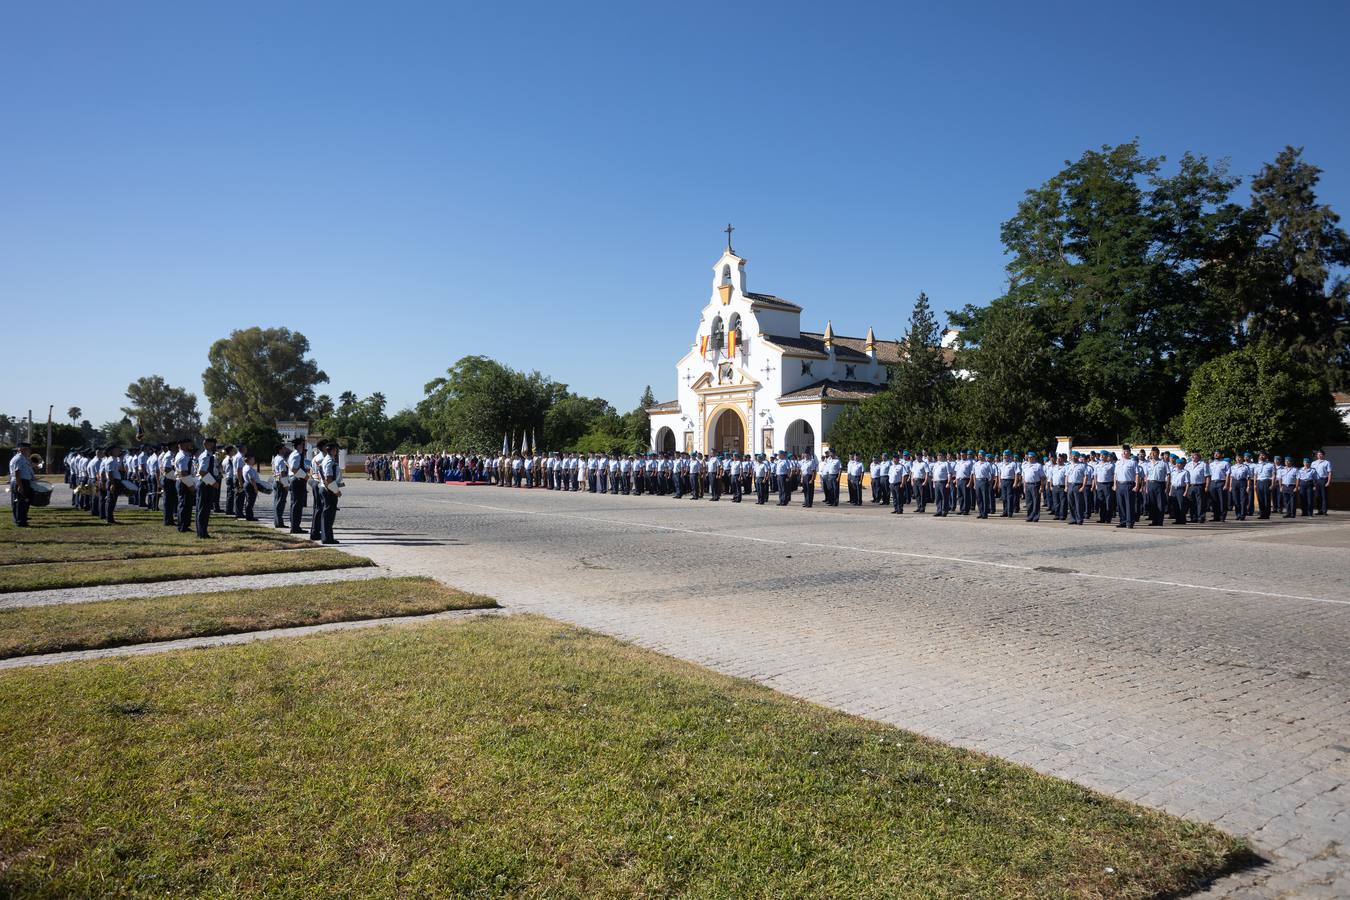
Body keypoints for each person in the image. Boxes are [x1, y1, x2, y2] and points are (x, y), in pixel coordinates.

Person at [195, 436, 220, 539]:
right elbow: (202, 471)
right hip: (206, 484)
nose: (215, 446)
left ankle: (202, 531)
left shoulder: (209, 455)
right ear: (207, 444)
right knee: (203, 509)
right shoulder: (206, 456)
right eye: (213, 443)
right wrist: (213, 483)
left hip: (206, 483)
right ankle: (202, 533)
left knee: (204, 509)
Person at [8, 439, 35, 526]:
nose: (29, 451)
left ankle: (22, 518)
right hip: (19, 481)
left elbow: (26, 471)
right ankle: (19, 521)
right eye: (27, 449)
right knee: (19, 502)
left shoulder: (24, 458)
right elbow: (17, 473)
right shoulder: (19, 459)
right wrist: (20, 486)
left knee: (24, 501)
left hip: (24, 481)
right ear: (22, 449)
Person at [287, 437, 309, 534]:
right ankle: (295, 527)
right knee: (297, 504)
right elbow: (294, 469)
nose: (304, 446)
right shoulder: (296, 455)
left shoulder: (295, 454)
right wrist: (305, 476)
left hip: (296, 480)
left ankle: (295, 526)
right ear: (299, 445)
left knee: (295, 504)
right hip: (297, 480)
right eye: (303, 444)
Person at [1114, 447, 1139, 529]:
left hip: (1129, 484)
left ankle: (1130, 522)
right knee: (1120, 504)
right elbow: (1115, 474)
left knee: (1129, 505)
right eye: (1123, 452)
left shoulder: (1133, 462)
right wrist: (1114, 484)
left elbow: (1137, 474)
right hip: (1119, 484)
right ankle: (1123, 521)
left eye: (1126, 452)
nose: (1124, 453)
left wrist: (1137, 485)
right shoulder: (1118, 462)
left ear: (1129, 453)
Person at [1021, 452, 1044, 522]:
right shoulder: (1025, 465)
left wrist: (1041, 487)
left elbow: (1042, 477)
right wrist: (1024, 487)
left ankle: (1036, 516)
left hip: (1035, 485)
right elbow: (1024, 477)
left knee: (1036, 501)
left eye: (1031, 457)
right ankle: (1029, 516)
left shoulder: (1038, 466)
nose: (1029, 459)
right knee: (1029, 502)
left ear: (1034, 458)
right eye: (1028, 458)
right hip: (1027, 485)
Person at [271, 443, 290, 528]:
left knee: (276, 502)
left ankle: (277, 521)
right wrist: (286, 485)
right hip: (280, 482)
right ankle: (279, 523)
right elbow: (283, 473)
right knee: (280, 503)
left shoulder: (275, 459)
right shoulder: (281, 460)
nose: (285, 449)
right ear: (280, 450)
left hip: (276, 481)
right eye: (283, 448)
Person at [1311, 450, 1332, 515]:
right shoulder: (1313, 463)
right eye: (1318, 454)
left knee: (1324, 496)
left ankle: (1324, 511)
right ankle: (1319, 510)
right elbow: (1311, 473)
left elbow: (1330, 472)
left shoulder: (1327, 462)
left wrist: (1328, 482)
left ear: (1323, 455)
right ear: (1316, 455)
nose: (1319, 455)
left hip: (1323, 480)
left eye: (1321, 454)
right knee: (1317, 496)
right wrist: (1313, 483)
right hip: (1316, 480)